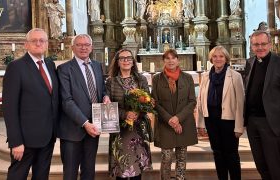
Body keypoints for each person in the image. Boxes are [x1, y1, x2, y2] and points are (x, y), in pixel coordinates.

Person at [2, 28, 59, 179]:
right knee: (17, 176)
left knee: (41, 176)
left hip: (47, 136)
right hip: (25, 140)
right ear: (26, 45)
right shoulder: (16, 67)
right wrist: (16, 141)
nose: (38, 43)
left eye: (42, 40)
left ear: (47, 44)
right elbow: (9, 108)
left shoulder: (50, 65)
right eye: (34, 41)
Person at [244, 30, 280, 180]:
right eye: (256, 44)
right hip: (252, 121)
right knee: (260, 164)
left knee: (273, 164)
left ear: (270, 44)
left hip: (271, 122)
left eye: (263, 44)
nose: (260, 47)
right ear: (251, 46)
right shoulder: (250, 63)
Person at [58, 34, 110, 180]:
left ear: (91, 47)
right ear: (73, 47)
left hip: (94, 127)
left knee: (89, 170)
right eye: (79, 45)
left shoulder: (97, 65)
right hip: (72, 129)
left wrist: (105, 96)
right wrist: (85, 123)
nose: (83, 47)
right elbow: (66, 101)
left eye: (86, 45)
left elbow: (102, 89)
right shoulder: (64, 69)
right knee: (70, 172)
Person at [196, 46, 245, 180]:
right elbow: (200, 101)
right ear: (211, 59)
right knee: (217, 153)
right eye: (215, 56)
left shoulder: (235, 76)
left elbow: (240, 103)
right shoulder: (206, 76)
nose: (218, 59)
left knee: (231, 154)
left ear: (226, 58)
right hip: (211, 120)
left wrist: (239, 126)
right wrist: (200, 123)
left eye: (221, 56)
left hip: (229, 121)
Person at [106, 48, 152, 179]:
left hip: (137, 129)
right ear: (117, 62)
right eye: (122, 58)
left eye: (129, 58)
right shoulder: (111, 82)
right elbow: (108, 106)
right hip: (120, 130)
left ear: (133, 62)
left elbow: (148, 101)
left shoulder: (141, 79)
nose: (126, 60)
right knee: (122, 169)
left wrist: (138, 112)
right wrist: (124, 114)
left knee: (136, 170)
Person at [152, 49, 198, 180]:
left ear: (178, 60)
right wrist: (170, 120)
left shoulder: (188, 78)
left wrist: (178, 118)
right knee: (166, 157)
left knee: (182, 156)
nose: (170, 61)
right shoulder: (156, 79)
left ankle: (180, 178)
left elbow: (191, 102)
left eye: (173, 58)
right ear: (164, 61)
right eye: (167, 58)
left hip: (183, 123)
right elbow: (155, 103)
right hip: (165, 124)